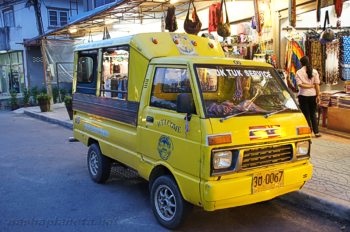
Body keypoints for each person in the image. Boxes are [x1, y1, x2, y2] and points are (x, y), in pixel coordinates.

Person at [296, 56, 321, 137]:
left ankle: (308, 132)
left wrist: (308, 86)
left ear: (301, 63)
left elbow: (300, 85)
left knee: (306, 114)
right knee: (313, 114)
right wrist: (318, 95)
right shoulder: (314, 71)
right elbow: (317, 85)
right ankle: (316, 132)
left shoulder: (299, 72)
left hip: (303, 96)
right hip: (313, 95)